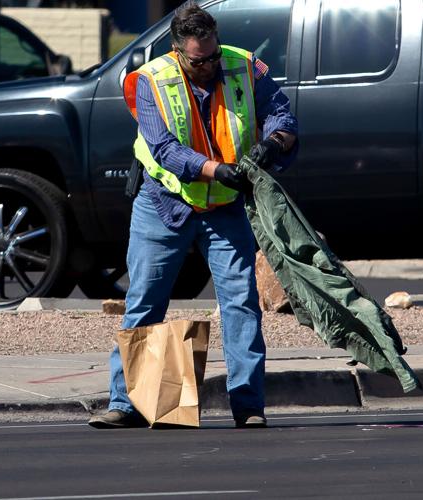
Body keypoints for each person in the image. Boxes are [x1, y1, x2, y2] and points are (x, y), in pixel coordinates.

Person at [88, 1, 297, 429]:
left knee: (241, 303)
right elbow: (164, 148)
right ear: (178, 52)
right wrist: (216, 168)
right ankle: (125, 404)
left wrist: (272, 143)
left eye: (214, 55)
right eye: (199, 61)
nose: (210, 66)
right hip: (164, 203)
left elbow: (283, 114)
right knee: (144, 301)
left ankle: (249, 406)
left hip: (223, 207)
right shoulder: (151, 80)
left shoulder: (244, 66)